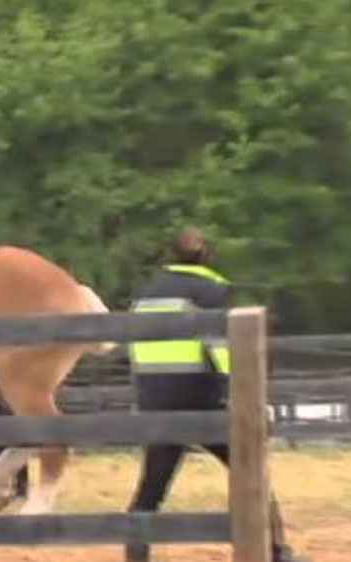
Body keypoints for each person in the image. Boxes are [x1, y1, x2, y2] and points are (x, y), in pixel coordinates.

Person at [124, 228, 303, 562]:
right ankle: (278, 553)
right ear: (206, 253)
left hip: (157, 401)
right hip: (200, 398)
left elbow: (135, 347)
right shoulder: (210, 290)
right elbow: (219, 348)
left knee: (151, 488)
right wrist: (238, 394)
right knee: (251, 475)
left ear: (170, 255)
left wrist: (147, 395)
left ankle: (136, 556)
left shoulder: (145, 293)